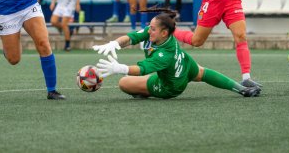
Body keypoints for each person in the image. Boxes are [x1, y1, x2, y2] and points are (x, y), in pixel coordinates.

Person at [92, 10, 261, 99]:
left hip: (171, 86)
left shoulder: (164, 55)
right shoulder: (159, 34)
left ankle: (145, 91)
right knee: (203, 73)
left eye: (152, 28)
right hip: (186, 65)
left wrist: (119, 68)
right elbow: (132, 37)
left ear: (164, 33)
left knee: (124, 83)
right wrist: (114, 43)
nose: (148, 30)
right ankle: (243, 89)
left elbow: (142, 69)